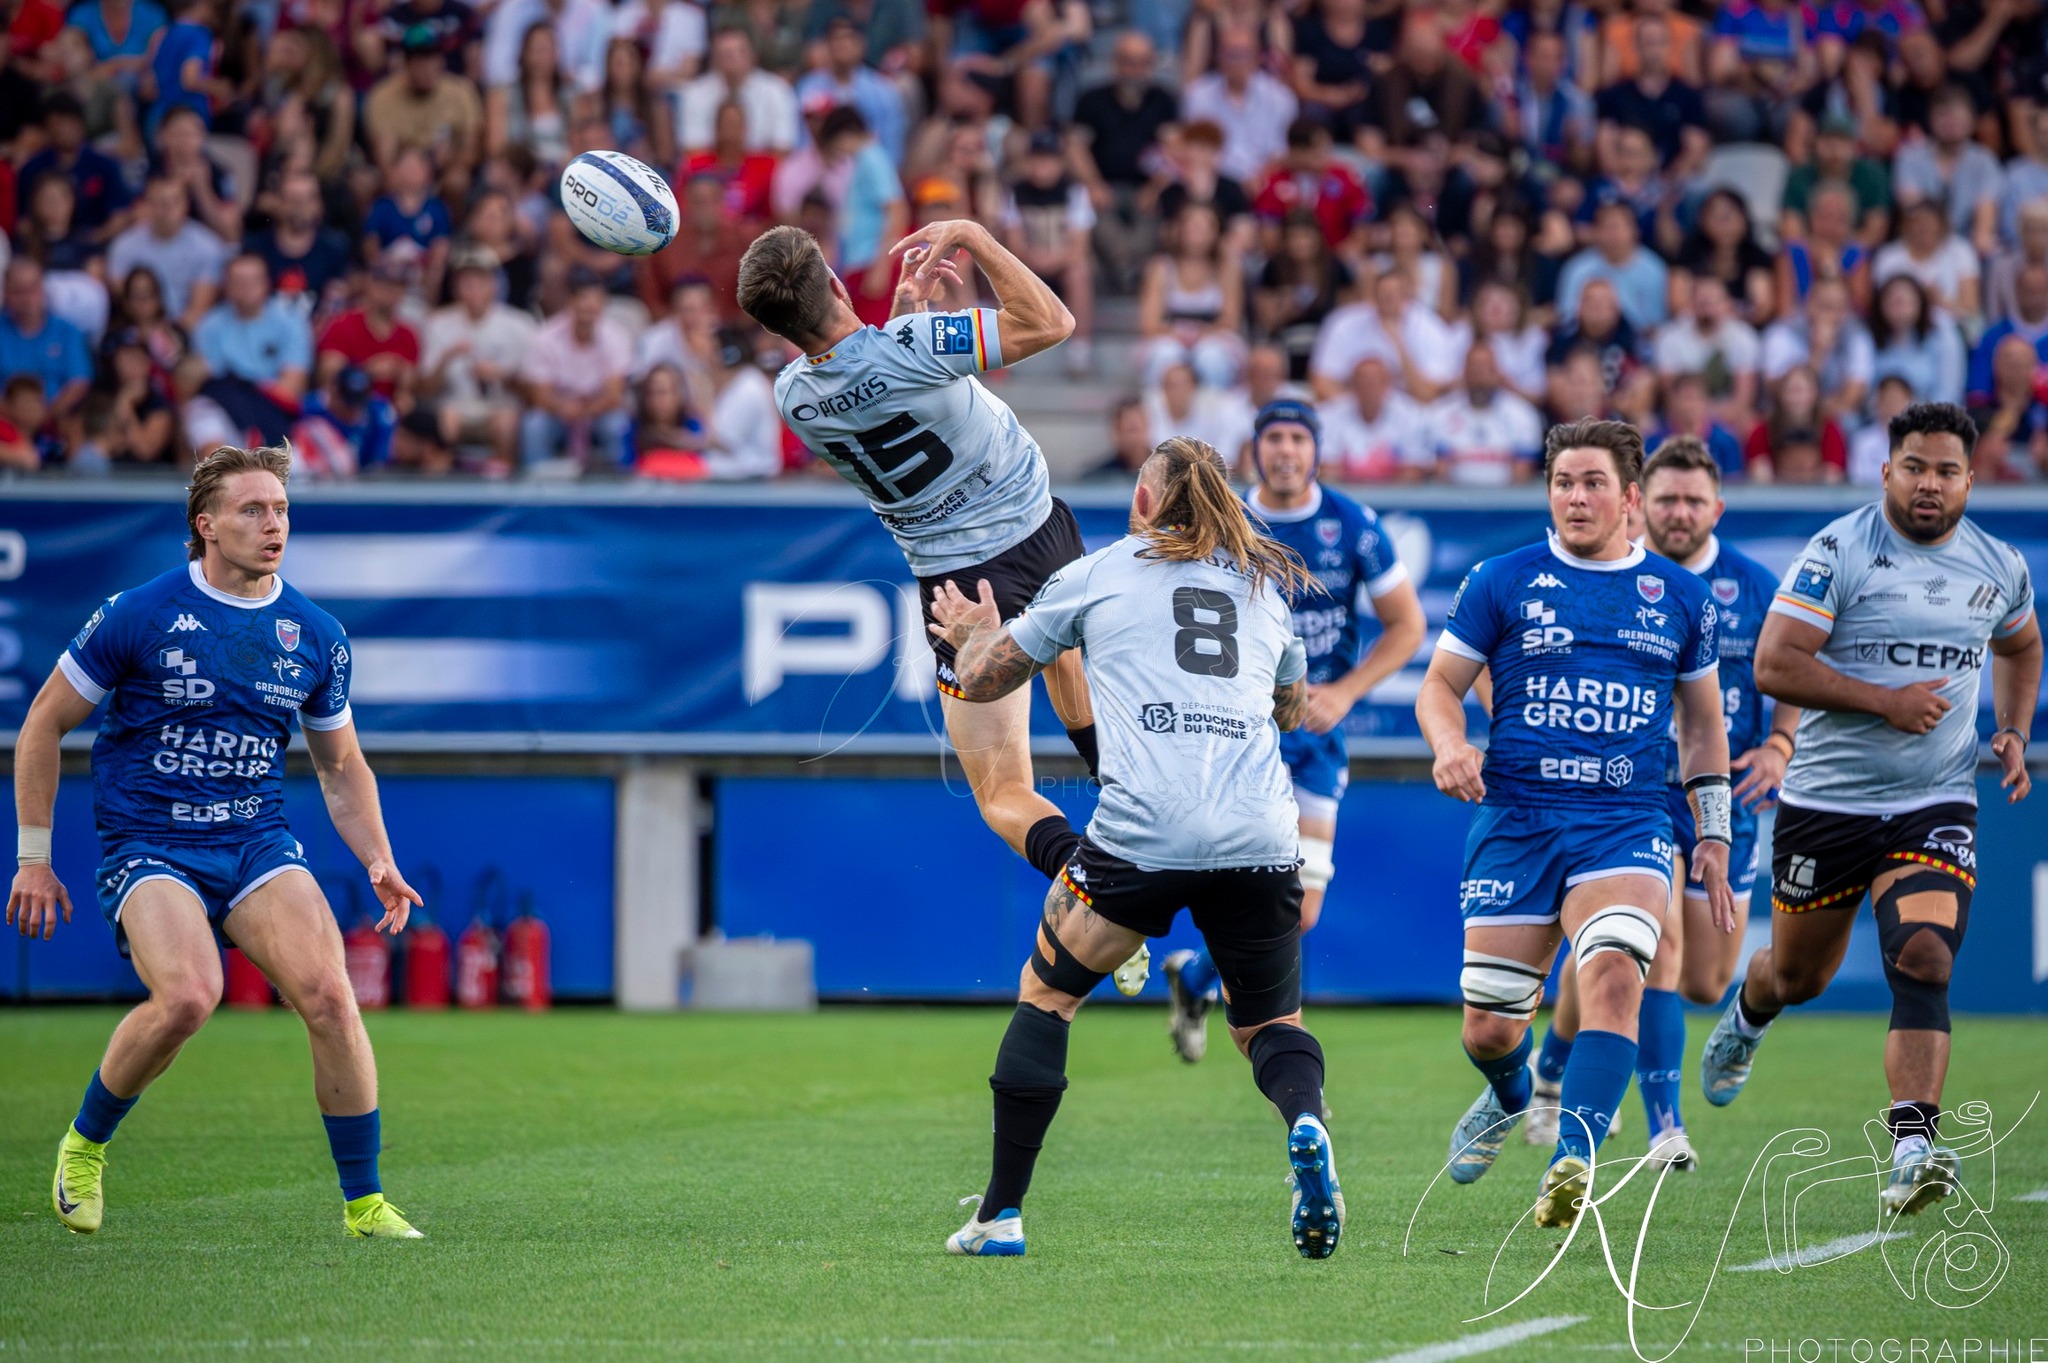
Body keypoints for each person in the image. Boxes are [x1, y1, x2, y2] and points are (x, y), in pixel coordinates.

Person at [931, 435, 1341, 1260]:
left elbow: (986, 678)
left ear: (1147, 502)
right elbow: (1292, 708)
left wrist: (974, 632)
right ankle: (1304, 1120)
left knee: (1047, 996)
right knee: (1268, 1024)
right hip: (1262, 831)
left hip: (1142, 831)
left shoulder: (1102, 570)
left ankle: (1001, 1215)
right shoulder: (1265, 589)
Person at [7, 443, 425, 1240]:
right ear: (205, 525)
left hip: (255, 841)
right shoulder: (139, 611)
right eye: (253, 510)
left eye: (282, 510)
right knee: (191, 996)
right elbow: (42, 727)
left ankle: (365, 1204)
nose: (275, 525)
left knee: (333, 998)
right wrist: (34, 858)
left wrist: (378, 855)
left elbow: (341, 766)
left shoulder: (315, 633)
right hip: (149, 842)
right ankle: (85, 1145)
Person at [738, 222, 1144, 985]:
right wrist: (973, 236)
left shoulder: (792, 399)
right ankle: (1128, 817)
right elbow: (1053, 322)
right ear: (832, 281)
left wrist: (901, 323)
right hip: (1039, 530)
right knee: (1069, 668)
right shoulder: (913, 348)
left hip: (959, 589)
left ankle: (1092, 876)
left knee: (1002, 793)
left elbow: (866, 377)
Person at [1702, 402, 2040, 1218]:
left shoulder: (1999, 564)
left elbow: (2022, 643)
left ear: (1970, 478)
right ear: (1886, 470)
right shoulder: (1838, 551)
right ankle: (1749, 1014)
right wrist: (1883, 702)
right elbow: (1776, 663)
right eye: (1916, 467)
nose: (1931, 484)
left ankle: (1913, 1144)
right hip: (1827, 802)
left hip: (1936, 799)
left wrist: (2014, 730)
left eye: (1947, 470)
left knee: (1925, 955)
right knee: (1798, 975)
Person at [1414, 418, 1733, 1228]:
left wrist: (1715, 832)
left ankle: (1574, 1158)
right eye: (1563, 482)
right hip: (1517, 818)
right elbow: (1439, 686)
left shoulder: (1682, 597)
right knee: (1488, 1027)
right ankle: (1511, 1094)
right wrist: (1450, 743)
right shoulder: (1500, 578)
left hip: (1624, 819)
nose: (1576, 497)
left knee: (1618, 971)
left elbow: (1701, 726)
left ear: (1631, 498)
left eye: (1593, 482)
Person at [1522, 437, 1801, 1169]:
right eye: (1668, 498)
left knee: (1704, 977)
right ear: (1642, 500)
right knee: (1652, 946)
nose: (1680, 513)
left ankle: (1552, 1061)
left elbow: (1785, 679)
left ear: (1718, 507)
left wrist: (1777, 748)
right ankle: (1665, 1126)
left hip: (1723, 794)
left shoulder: (1751, 586)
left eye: (1694, 500)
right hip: (1636, 792)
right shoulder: (1609, 573)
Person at [1163, 401, 1425, 1060]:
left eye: (1298, 438)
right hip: (1239, 731)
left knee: (1301, 910)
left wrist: (1344, 690)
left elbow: (1408, 625)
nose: (1286, 450)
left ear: (1316, 450)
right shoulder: (1223, 520)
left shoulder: (1353, 525)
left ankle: (1194, 978)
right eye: (1274, 437)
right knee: (1249, 885)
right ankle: (1290, 1053)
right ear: (1255, 449)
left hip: (1314, 740)